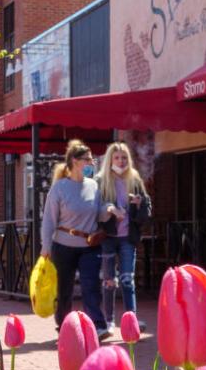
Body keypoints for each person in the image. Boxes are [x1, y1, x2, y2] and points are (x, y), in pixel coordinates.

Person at [39, 140, 107, 332]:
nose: (92, 163)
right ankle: (64, 325)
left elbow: (98, 214)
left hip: (90, 246)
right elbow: (49, 220)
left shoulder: (94, 186)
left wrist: (109, 210)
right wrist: (46, 246)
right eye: (88, 160)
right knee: (64, 290)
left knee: (91, 286)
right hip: (63, 246)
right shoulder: (59, 188)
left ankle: (97, 326)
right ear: (75, 161)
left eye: (92, 159)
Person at [96, 141, 150, 339]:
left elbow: (146, 211)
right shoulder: (101, 181)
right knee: (109, 282)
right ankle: (108, 323)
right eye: (117, 157)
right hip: (108, 238)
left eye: (124, 157)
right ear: (110, 159)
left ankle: (131, 322)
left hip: (127, 238)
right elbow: (95, 209)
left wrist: (138, 205)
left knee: (128, 281)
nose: (121, 161)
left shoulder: (134, 180)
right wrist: (110, 210)